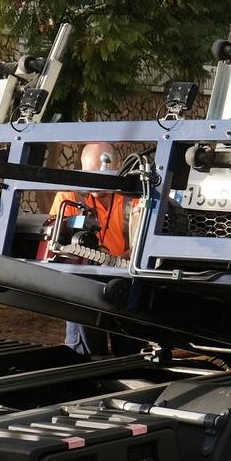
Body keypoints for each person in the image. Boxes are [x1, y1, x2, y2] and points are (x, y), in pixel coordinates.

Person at [49, 142, 134, 356]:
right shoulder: (69, 197)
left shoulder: (134, 196)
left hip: (125, 281)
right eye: (90, 173)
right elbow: (57, 244)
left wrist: (115, 263)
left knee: (131, 350)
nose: (95, 182)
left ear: (118, 165)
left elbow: (143, 242)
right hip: (83, 283)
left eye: (102, 171)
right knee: (82, 354)